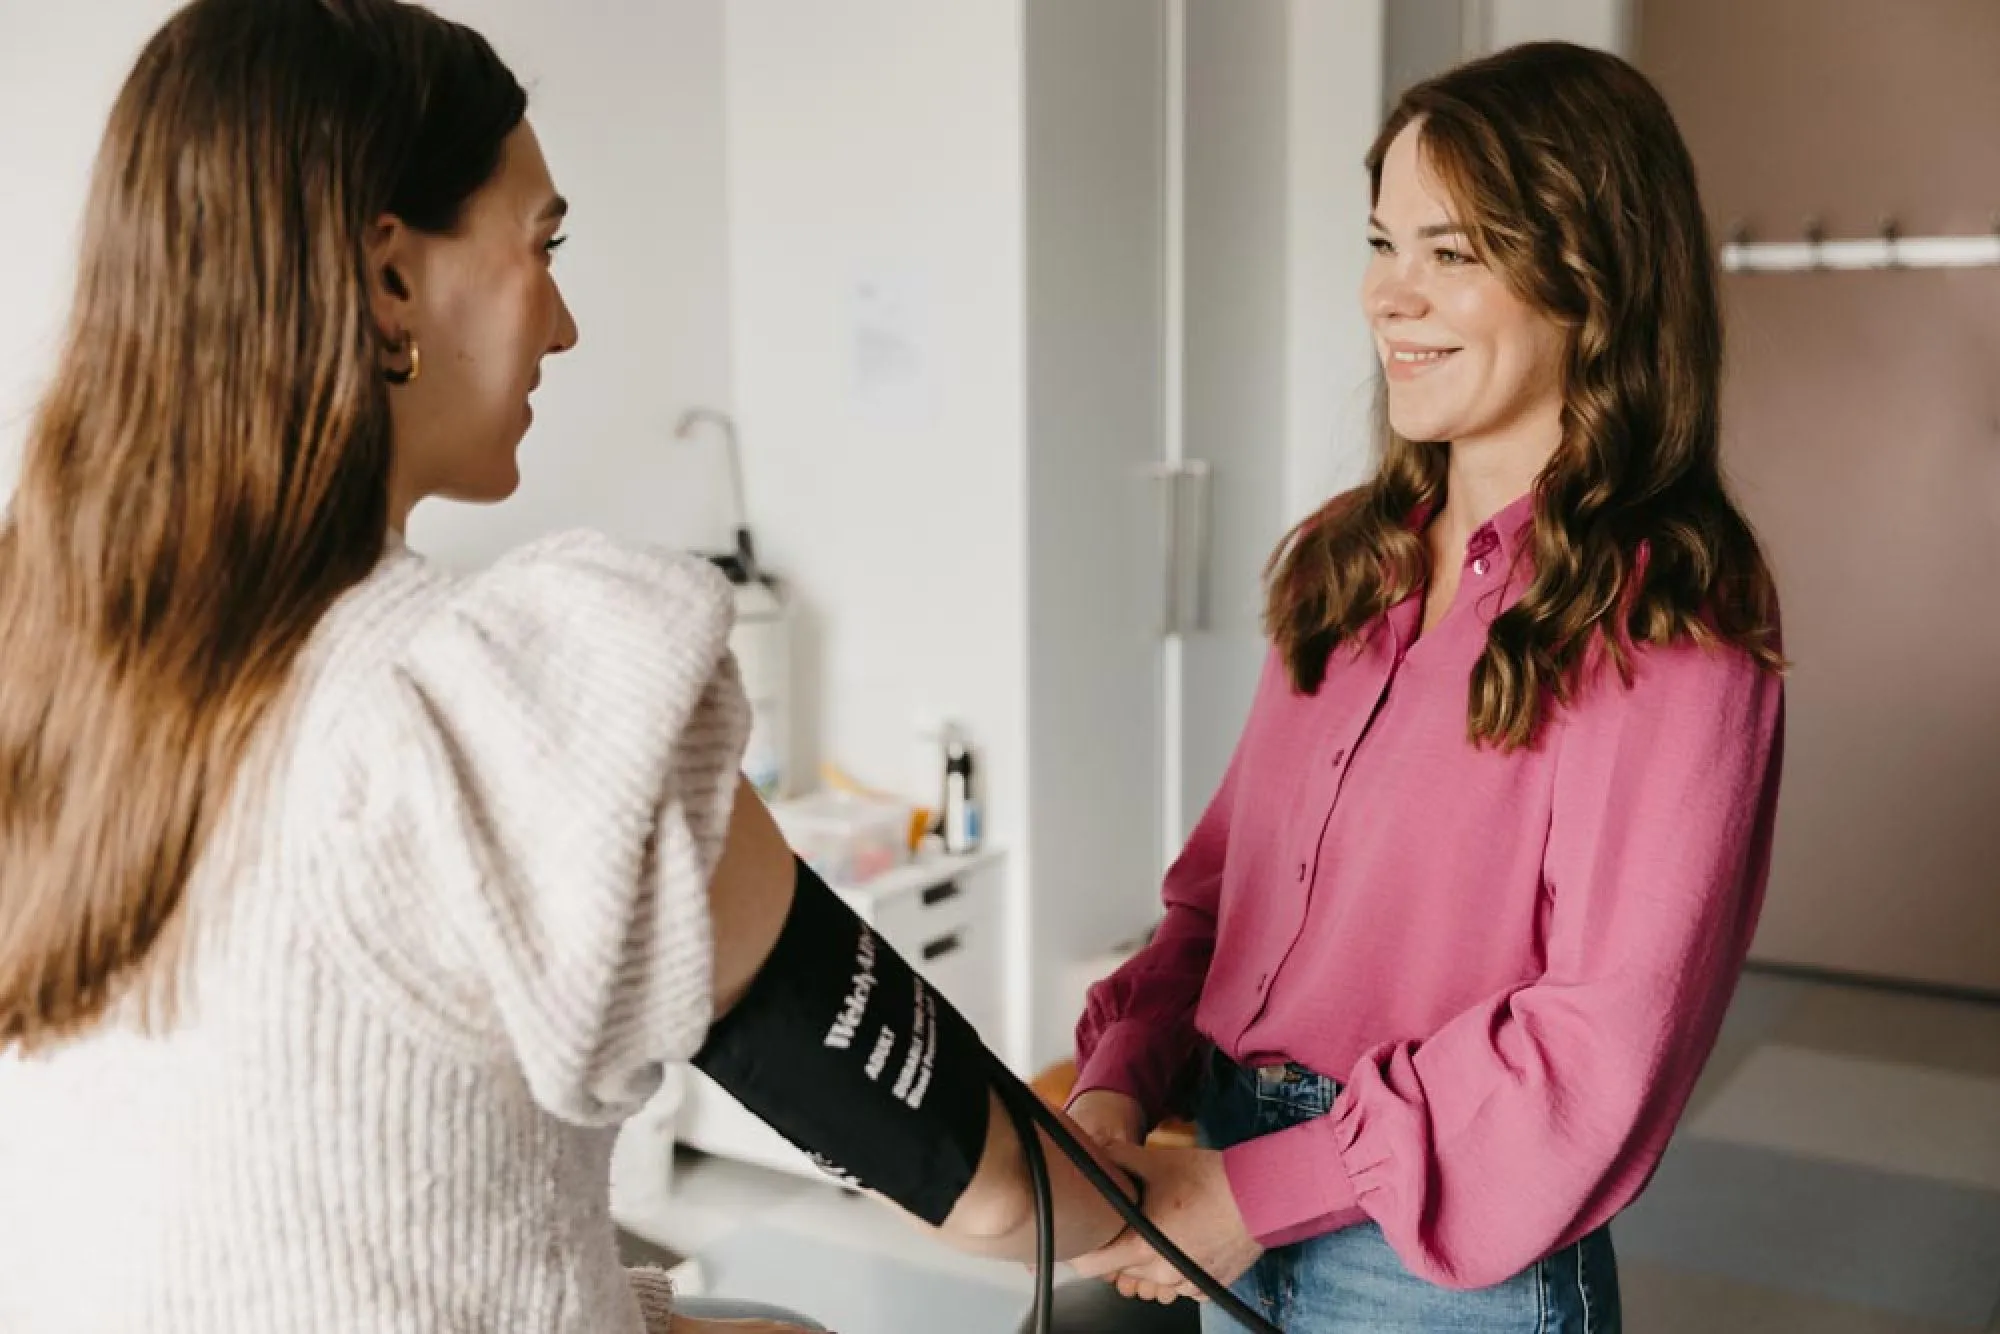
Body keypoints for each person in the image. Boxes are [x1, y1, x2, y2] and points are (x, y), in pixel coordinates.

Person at [0, 2, 1129, 1331]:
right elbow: (991, 1180)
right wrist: (1192, 1196)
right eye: (545, 245)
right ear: (390, 278)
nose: (567, 323)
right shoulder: (491, 706)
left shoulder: (49, 679)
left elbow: (291, 1220)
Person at [1061, 41, 1786, 1333]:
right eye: (1384, 242)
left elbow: (1599, 1039)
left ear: (1594, 278)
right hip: (1220, 1164)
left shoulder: (1674, 618)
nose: (1389, 296)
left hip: (1436, 1259)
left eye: (1452, 253)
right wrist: (1115, 1088)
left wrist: (1261, 1189)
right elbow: (1221, 896)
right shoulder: (1351, 555)